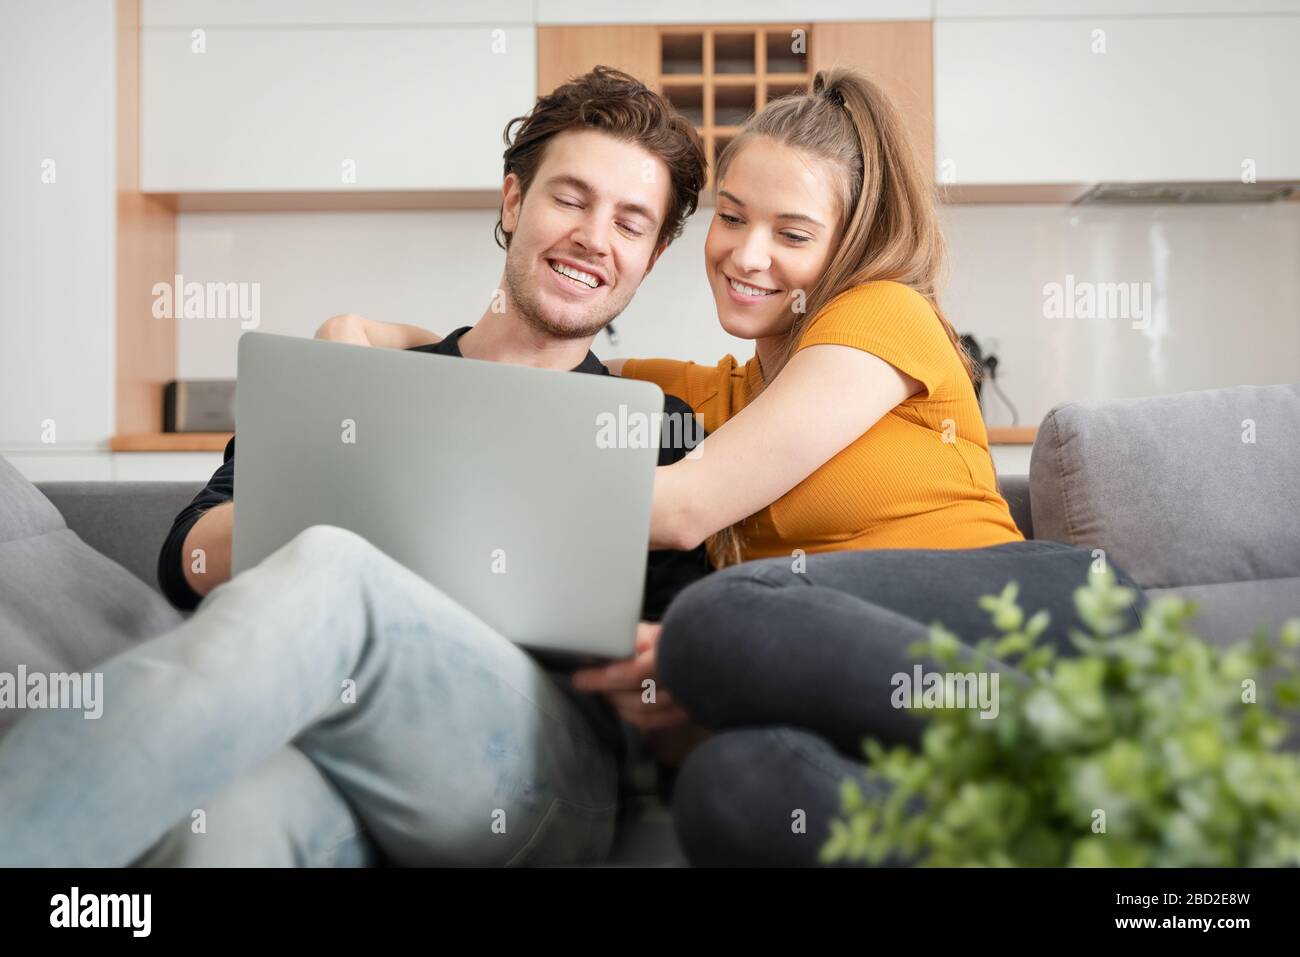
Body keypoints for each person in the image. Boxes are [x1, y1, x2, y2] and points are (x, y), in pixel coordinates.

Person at [340, 68, 1149, 866]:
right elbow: (519, 358)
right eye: (730, 218)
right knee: (728, 781)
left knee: (716, 618)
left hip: (1040, 617)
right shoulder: (704, 399)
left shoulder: (884, 317)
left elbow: (683, 506)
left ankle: (1100, 755)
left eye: (792, 234)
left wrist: (432, 497)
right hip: (877, 705)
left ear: (848, 244)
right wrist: (357, 337)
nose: (747, 254)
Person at [0, 67, 711, 867]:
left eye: (631, 222)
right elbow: (185, 560)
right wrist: (342, 489)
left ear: (648, 259)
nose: (594, 236)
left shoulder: (661, 434)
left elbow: (682, 715)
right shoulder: (355, 377)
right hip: (329, 735)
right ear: (514, 203)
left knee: (338, 568)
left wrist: (658, 676)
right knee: (232, 821)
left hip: (537, 777)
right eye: (571, 198)